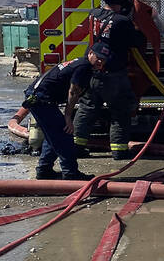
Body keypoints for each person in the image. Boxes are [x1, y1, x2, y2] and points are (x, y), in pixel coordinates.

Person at [23, 41, 112, 179]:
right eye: (98, 57)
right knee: (64, 135)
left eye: (104, 59)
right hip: (41, 100)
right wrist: (68, 117)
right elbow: (73, 92)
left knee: (53, 135)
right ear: (90, 53)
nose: (100, 61)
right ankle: (70, 173)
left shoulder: (80, 63)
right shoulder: (84, 67)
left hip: (38, 97)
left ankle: (44, 170)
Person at [73, 0, 144, 158]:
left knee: (87, 109)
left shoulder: (93, 14)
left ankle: (76, 147)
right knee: (120, 112)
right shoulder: (122, 21)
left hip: (92, 72)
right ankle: (119, 151)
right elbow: (137, 41)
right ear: (121, 2)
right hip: (114, 75)